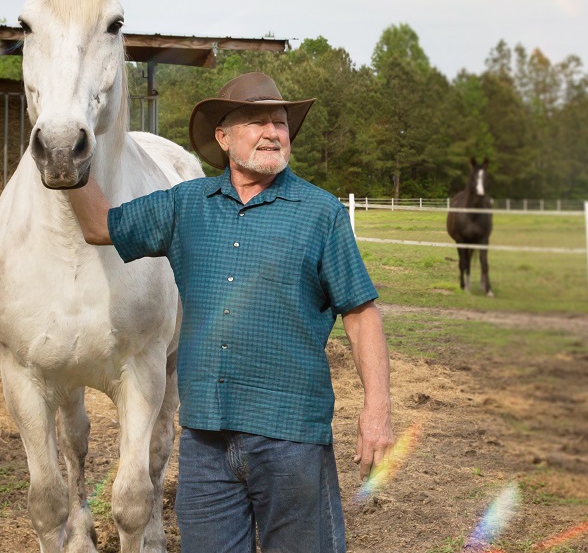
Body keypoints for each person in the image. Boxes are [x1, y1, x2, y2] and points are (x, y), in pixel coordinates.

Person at [66, 71, 394, 553]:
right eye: (257, 122)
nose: (273, 133)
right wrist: (66, 152)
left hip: (291, 440)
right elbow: (99, 225)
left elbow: (362, 314)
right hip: (206, 446)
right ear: (222, 137)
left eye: (280, 123)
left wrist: (377, 410)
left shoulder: (320, 214)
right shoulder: (186, 205)